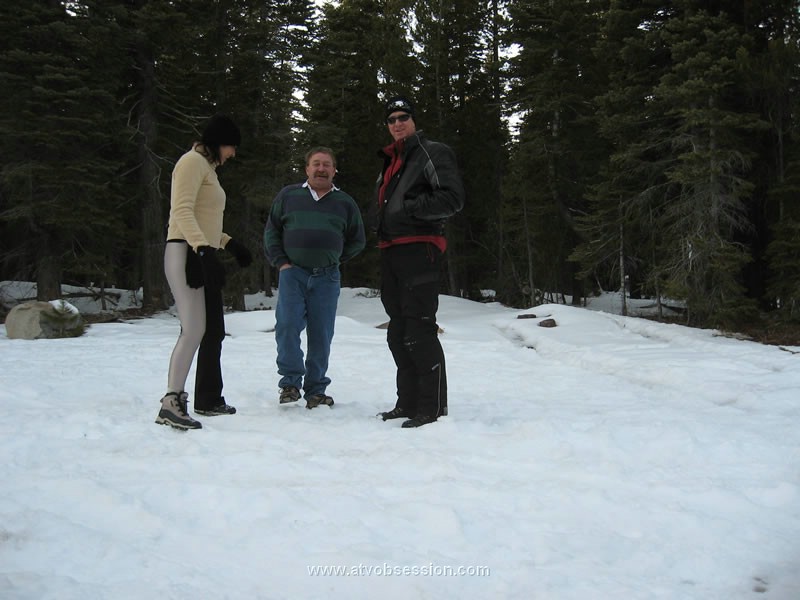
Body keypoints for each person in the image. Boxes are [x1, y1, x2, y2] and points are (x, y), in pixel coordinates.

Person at [155, 114, 253, 430]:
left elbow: (204, 219)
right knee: (194, 329)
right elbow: (181, 211)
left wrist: (228, 243)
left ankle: (203, 399)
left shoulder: (207, 168)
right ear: (218, 143)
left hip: (197, 250)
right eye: (231, 146)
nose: (233, 154)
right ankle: (172, 401)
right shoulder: (191, 162)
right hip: (184, 250)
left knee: (208, 329)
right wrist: (201, 250)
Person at [372, 95, 465, 428]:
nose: (397, 123)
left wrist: (411, 209)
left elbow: (452, 198)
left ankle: (433, 407)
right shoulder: (392, 161)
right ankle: (408, 403)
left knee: (419, 329)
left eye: (403, 117)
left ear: (413, 120)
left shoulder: (431, 151)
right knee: (398, 332)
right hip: (392, 250)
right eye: (392, 119)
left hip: (419, 248)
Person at [264, 147, 366, 409]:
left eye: (327, 165)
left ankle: (316, 389)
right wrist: (282, 263)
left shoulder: (345, 202)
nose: (321, 169)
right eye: (316, 163)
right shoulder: (288, 195)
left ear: (334, 170)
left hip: (327, 278)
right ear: (307, 168)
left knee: (321, 333)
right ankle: (289, 384)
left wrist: (333, 258)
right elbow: (272, 231)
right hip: (293, 274)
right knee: (287, 326)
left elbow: (357, 239)